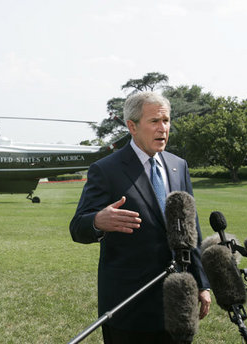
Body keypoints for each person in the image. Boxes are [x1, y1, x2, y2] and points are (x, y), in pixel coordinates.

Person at [70, 92, 211, 343]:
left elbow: (192, 230)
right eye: (155, 121)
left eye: (166, 121)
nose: (163, 128)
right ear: (132, 126)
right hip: (130, 307)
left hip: (179, 302)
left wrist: (202, 283)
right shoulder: (106, 170)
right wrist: (97, 221)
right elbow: (77, 227)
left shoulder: (179, 165)